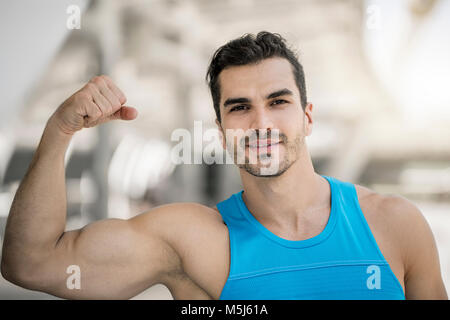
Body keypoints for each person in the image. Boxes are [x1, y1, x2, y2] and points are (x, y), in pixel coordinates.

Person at [1, 32, 447, 300]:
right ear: (219, 131)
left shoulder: (395, 225)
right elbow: (32, 263)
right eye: (240, 108)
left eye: (278, 101)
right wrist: (59, 131)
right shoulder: (191, 242)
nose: (261, 123)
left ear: (306, 117)